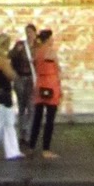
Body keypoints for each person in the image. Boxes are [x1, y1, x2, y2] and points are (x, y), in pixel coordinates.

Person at [26, 28, 62, 158]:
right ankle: (46, 149)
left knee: (37, 117)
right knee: (50, 119)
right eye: (51, 38)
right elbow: (58, 68)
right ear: (48, 39)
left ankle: (31, 146)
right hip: (51, 83)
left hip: (40, 84)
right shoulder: (51, 52)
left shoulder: (37, 52)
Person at [9, 31, 34, 141]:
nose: (29, 34)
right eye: (28, 32)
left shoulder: (37, 46)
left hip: (31, 78)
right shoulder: (20, 45)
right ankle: (21, 132)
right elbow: (10, 55)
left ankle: (28, 132)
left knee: (31, 106)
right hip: (20, 77)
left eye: (31, 32)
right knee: (21, 105)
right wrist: (16, 51)